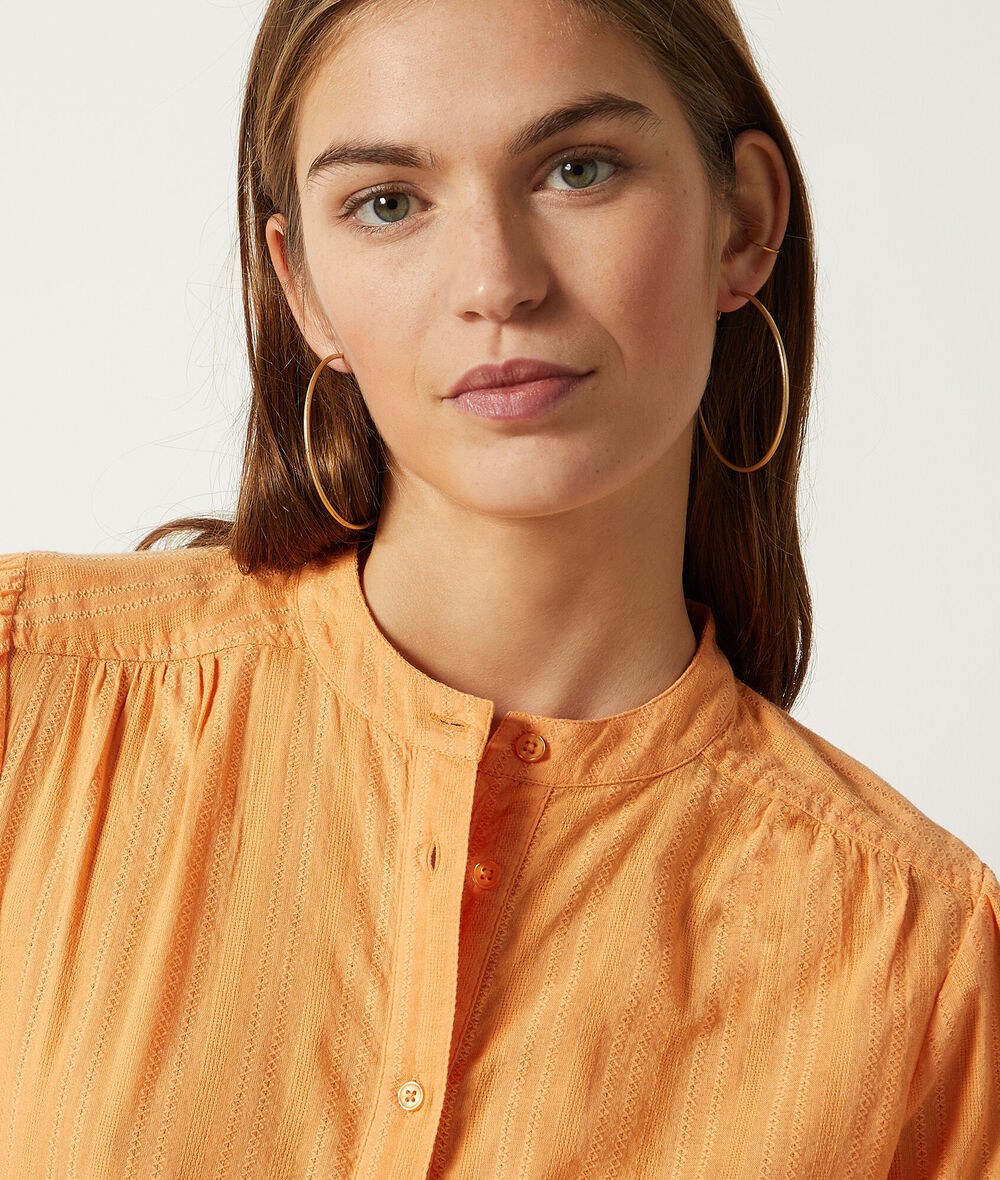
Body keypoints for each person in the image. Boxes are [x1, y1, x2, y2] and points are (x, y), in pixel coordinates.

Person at [0, 0, 997, 1174]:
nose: (496, 282)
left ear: (744, 220)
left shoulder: (922, 967)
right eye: (388, 202)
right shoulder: (29, 699)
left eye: (579, 170)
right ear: (302, 284)